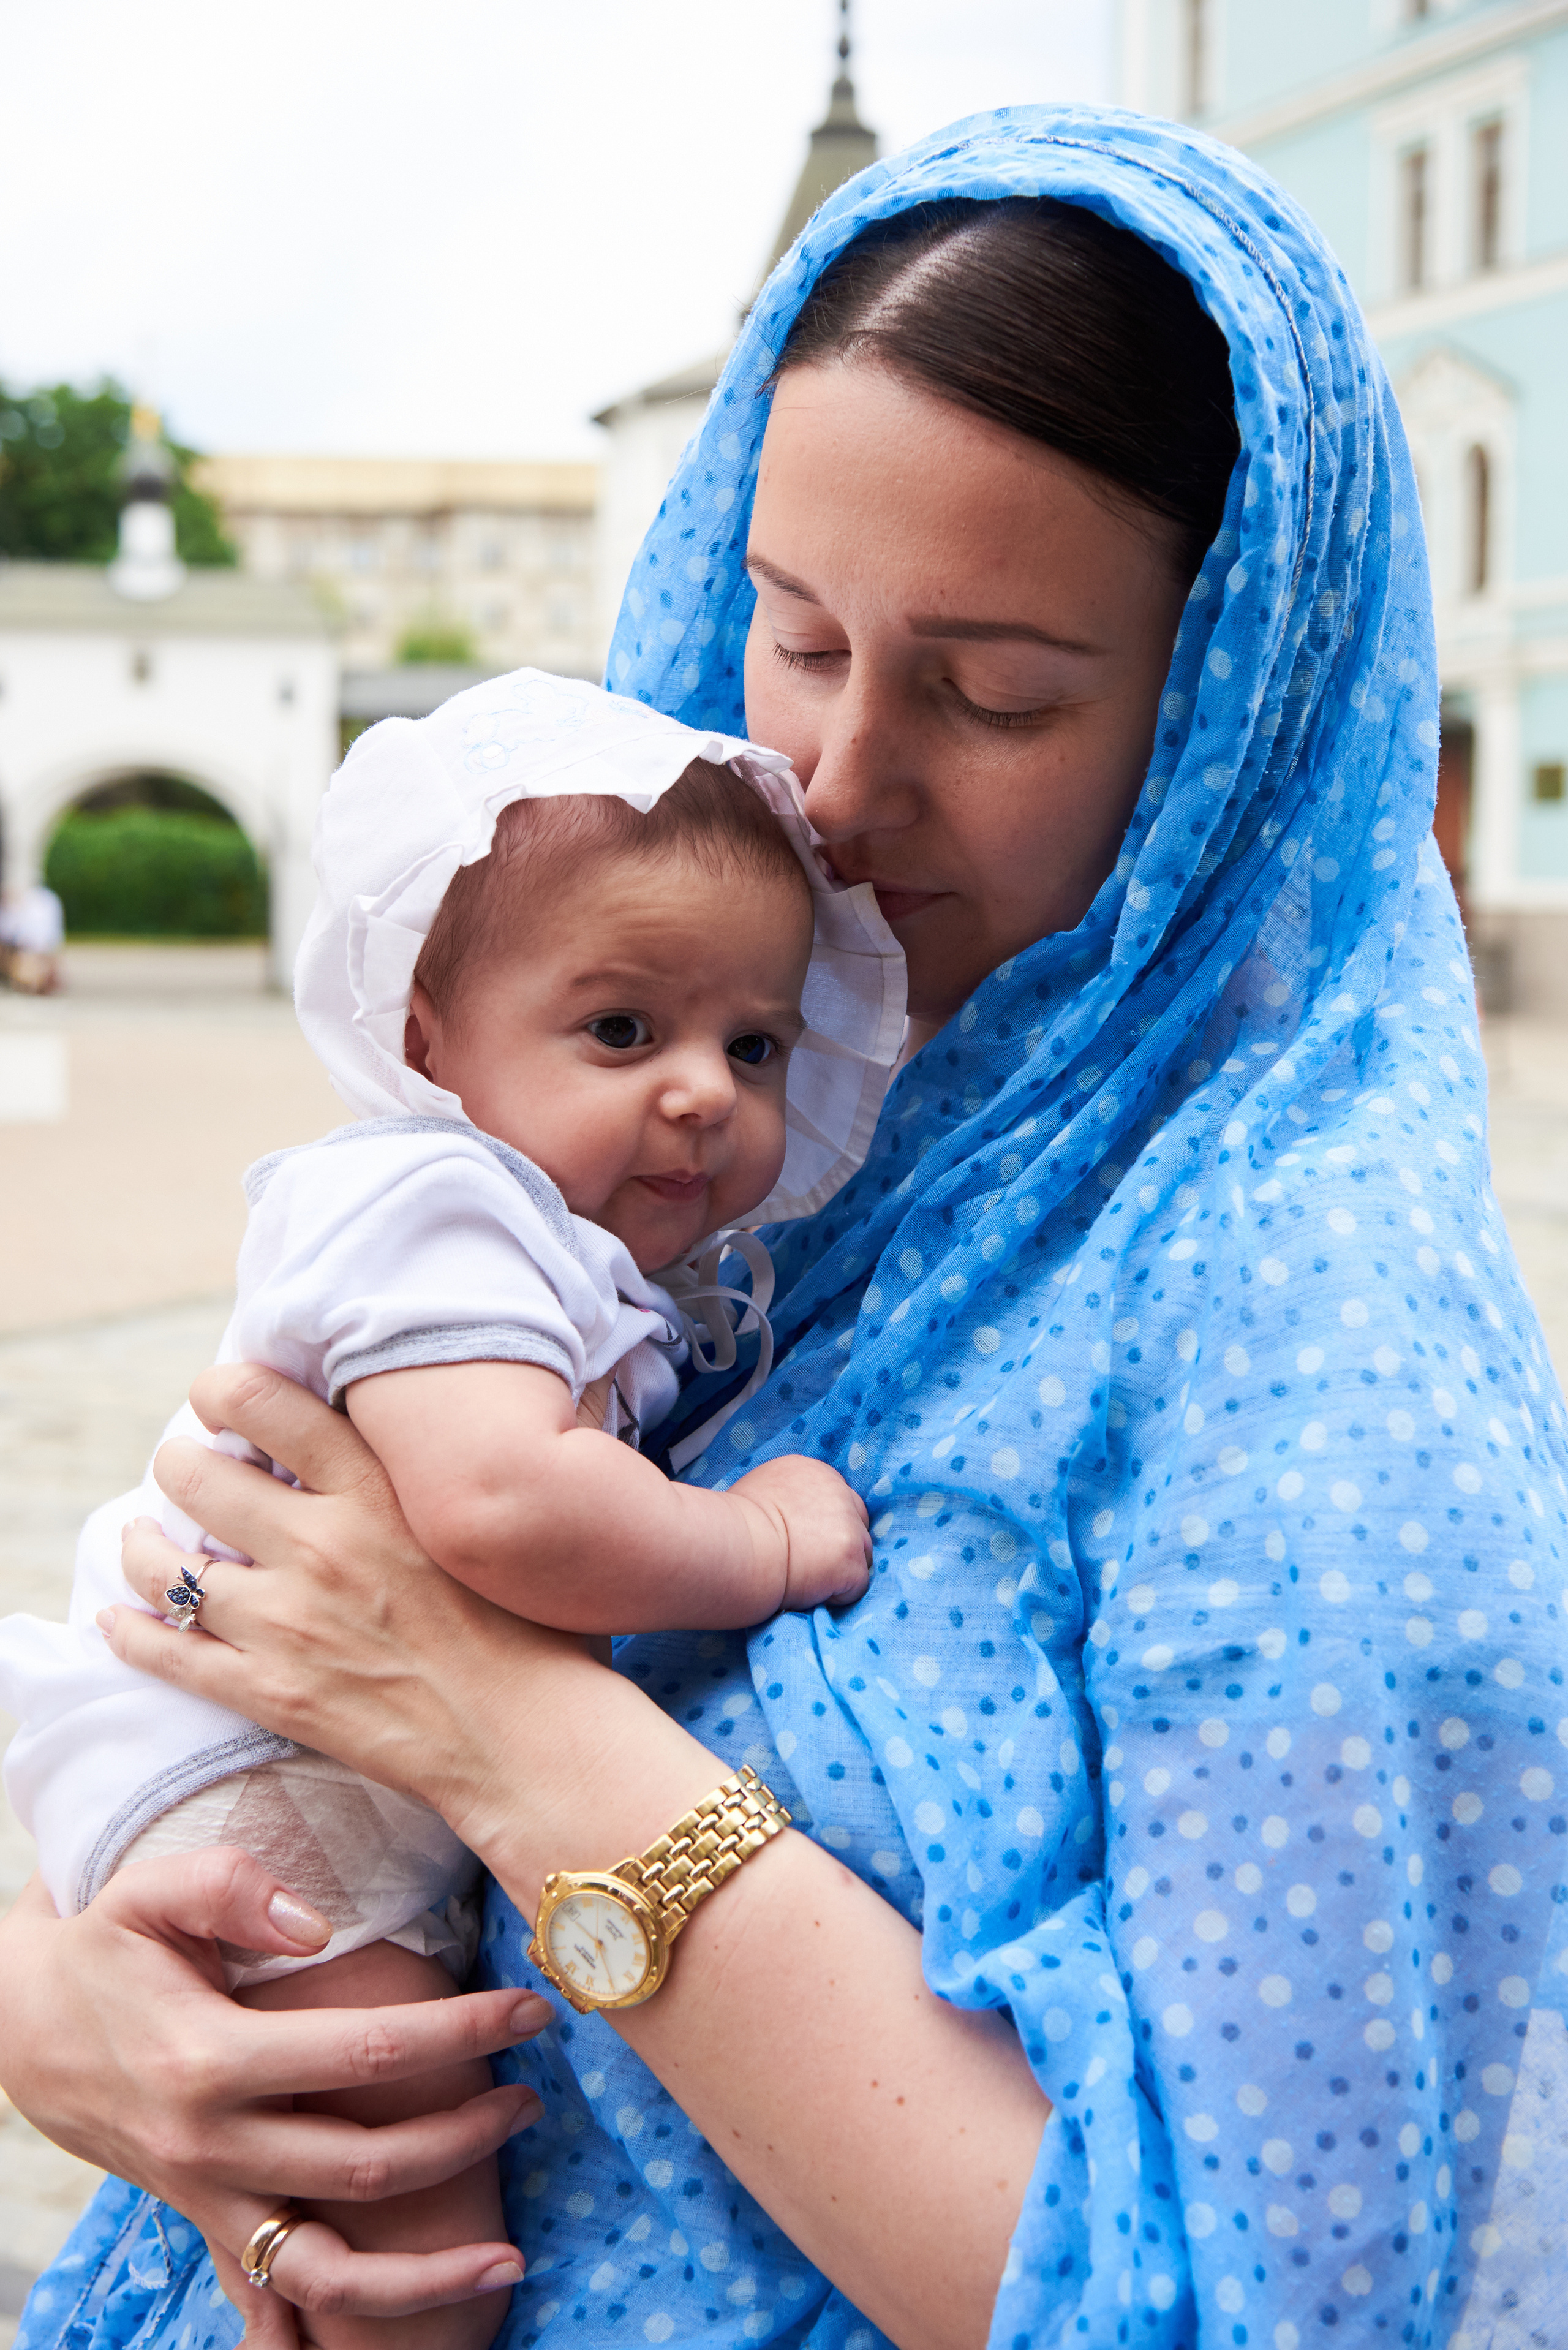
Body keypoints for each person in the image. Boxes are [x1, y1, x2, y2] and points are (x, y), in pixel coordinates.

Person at [5, 102, 1567, 2350]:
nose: (831, 784)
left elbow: (1248, 2302)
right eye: (796, 629)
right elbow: (220, 1637)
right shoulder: (796, 1113)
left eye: (997, 690)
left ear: (1228, 705)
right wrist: (81, 2019)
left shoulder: (1319, 1351)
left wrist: (495, 1719)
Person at [0, 681, 895, 2349]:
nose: (702, 1089)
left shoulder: (546, 1232)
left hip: (296, 1747)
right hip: (259, 1773)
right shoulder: (438, 1201)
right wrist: (763, 1544)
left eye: (752, 1042)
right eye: (624, 1031)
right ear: (432, 1040)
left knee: (358, 2204)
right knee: (409, 2236)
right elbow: (501, 1502)